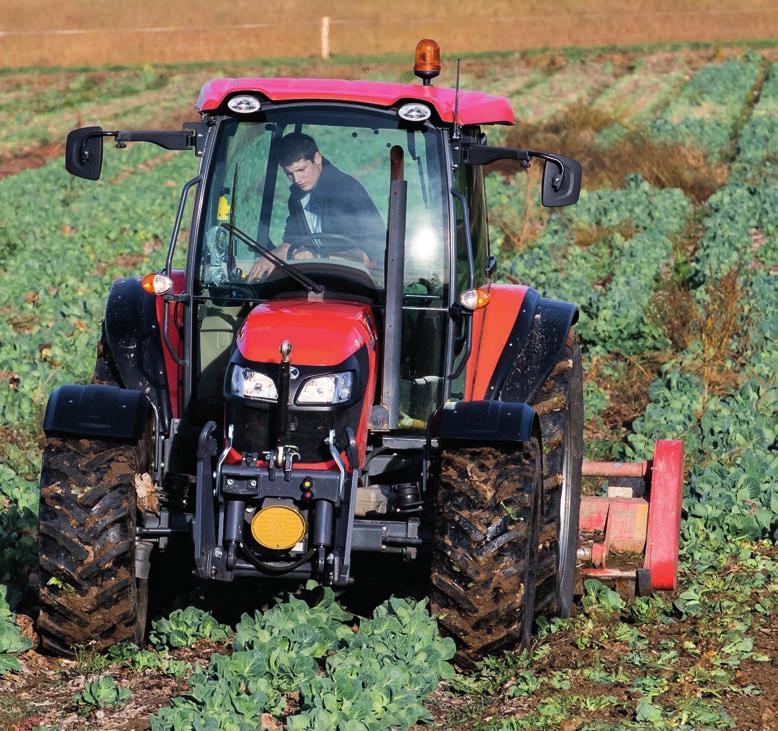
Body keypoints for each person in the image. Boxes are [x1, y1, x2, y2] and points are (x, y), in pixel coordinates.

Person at [249, 133, 386, 280]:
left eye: (301, 170)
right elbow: (292, 239)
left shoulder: (345, 193)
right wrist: (272, 256)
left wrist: (316, 256)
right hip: (316, 279)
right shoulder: (297, 196)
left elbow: (364, 257)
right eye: (289, 174)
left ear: (317, 158)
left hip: (358, 281)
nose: (296, 179)